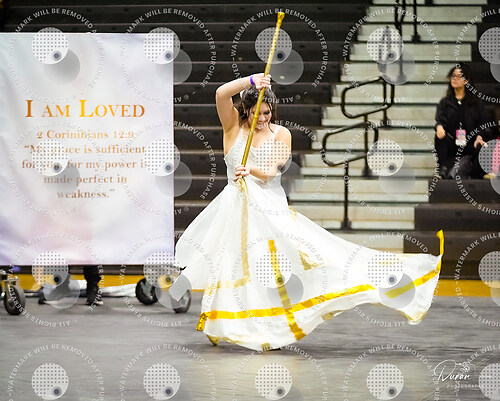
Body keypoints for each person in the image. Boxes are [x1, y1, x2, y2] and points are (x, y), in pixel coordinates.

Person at [171, 74, 443, 351]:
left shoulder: (281, 134)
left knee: (281, 267)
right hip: (234, 209)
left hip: (268, 210)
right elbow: (221, 93)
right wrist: (251, 81)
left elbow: (271, 172)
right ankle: (224, 322)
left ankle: (274, 324)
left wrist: (250, 170)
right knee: (232, 266)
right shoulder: (231, 127)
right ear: (245, 110)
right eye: (256, 113)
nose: (262, 118)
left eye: (267, 112)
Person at [434, 63, 490, 179]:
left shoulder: (476, 102)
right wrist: (439, 127)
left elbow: (482, 123)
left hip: (470, 142)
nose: (454, 79)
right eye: (453, 76)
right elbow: (440, 119)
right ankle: (442, 169)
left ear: (467, 80)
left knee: (481, 146)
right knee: (439, 137)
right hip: (452, 142)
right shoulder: (445, 102)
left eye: (458, 76)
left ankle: (477, 177)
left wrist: (479, 136)